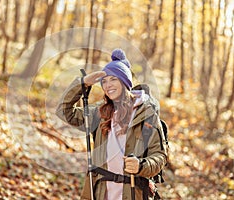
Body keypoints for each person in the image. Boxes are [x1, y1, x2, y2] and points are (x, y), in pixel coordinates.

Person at [56, 49, 168, 200]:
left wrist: (141, 165)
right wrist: (82, 84)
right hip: (100, 192)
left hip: (134, 193)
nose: (108, 85)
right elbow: (64, 111)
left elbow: (160, 156)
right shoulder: (99, 114)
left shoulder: (147, 116)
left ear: (125, 81)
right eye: (104, 81)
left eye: (113, 79)